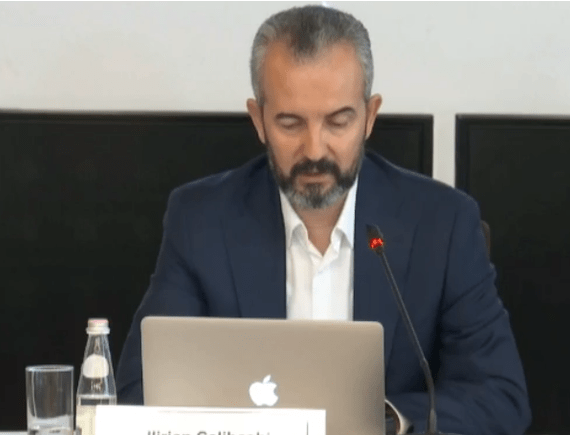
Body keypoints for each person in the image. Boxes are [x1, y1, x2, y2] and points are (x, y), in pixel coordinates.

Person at [116, 5, 531, 434]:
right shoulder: (201, 221)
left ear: (370, 115)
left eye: (337, 122)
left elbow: (499, 399)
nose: (314, 150)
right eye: (290, 123)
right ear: (259, 120)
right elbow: (139, 393)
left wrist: (382, 420)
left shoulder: (442, 225)